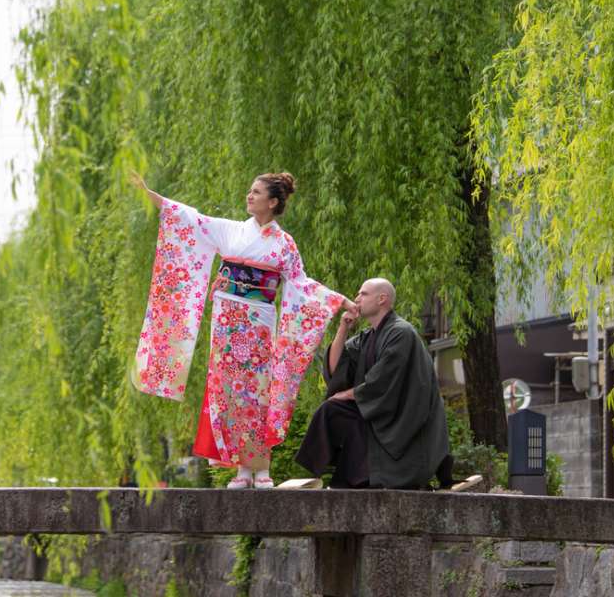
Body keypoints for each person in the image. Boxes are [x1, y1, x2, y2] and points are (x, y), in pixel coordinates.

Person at [130, 172, 350, 489]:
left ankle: (261, 468)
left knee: (257, 392)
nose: (249, 195)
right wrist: (149, 193)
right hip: (227, 321)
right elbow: (190, 219)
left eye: (256, 192)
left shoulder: (284, 244)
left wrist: (340, 301)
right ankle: (241, 470)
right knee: (229, 392)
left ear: (272, 202)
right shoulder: (232, 231)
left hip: (259, 320)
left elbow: (301, 285)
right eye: (250, 190)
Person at [295, 278, 454, 489]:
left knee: (339, 404)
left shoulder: (401, 332)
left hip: (402, 419)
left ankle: (372, 474)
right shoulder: (368, 337)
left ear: (382, 299)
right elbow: (336, 369)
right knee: (332, 410)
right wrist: (343, 328)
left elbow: (382, 382)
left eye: (363, 294)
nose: (356, 299)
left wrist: (347, 394)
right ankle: (343, 473)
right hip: (379, 411)